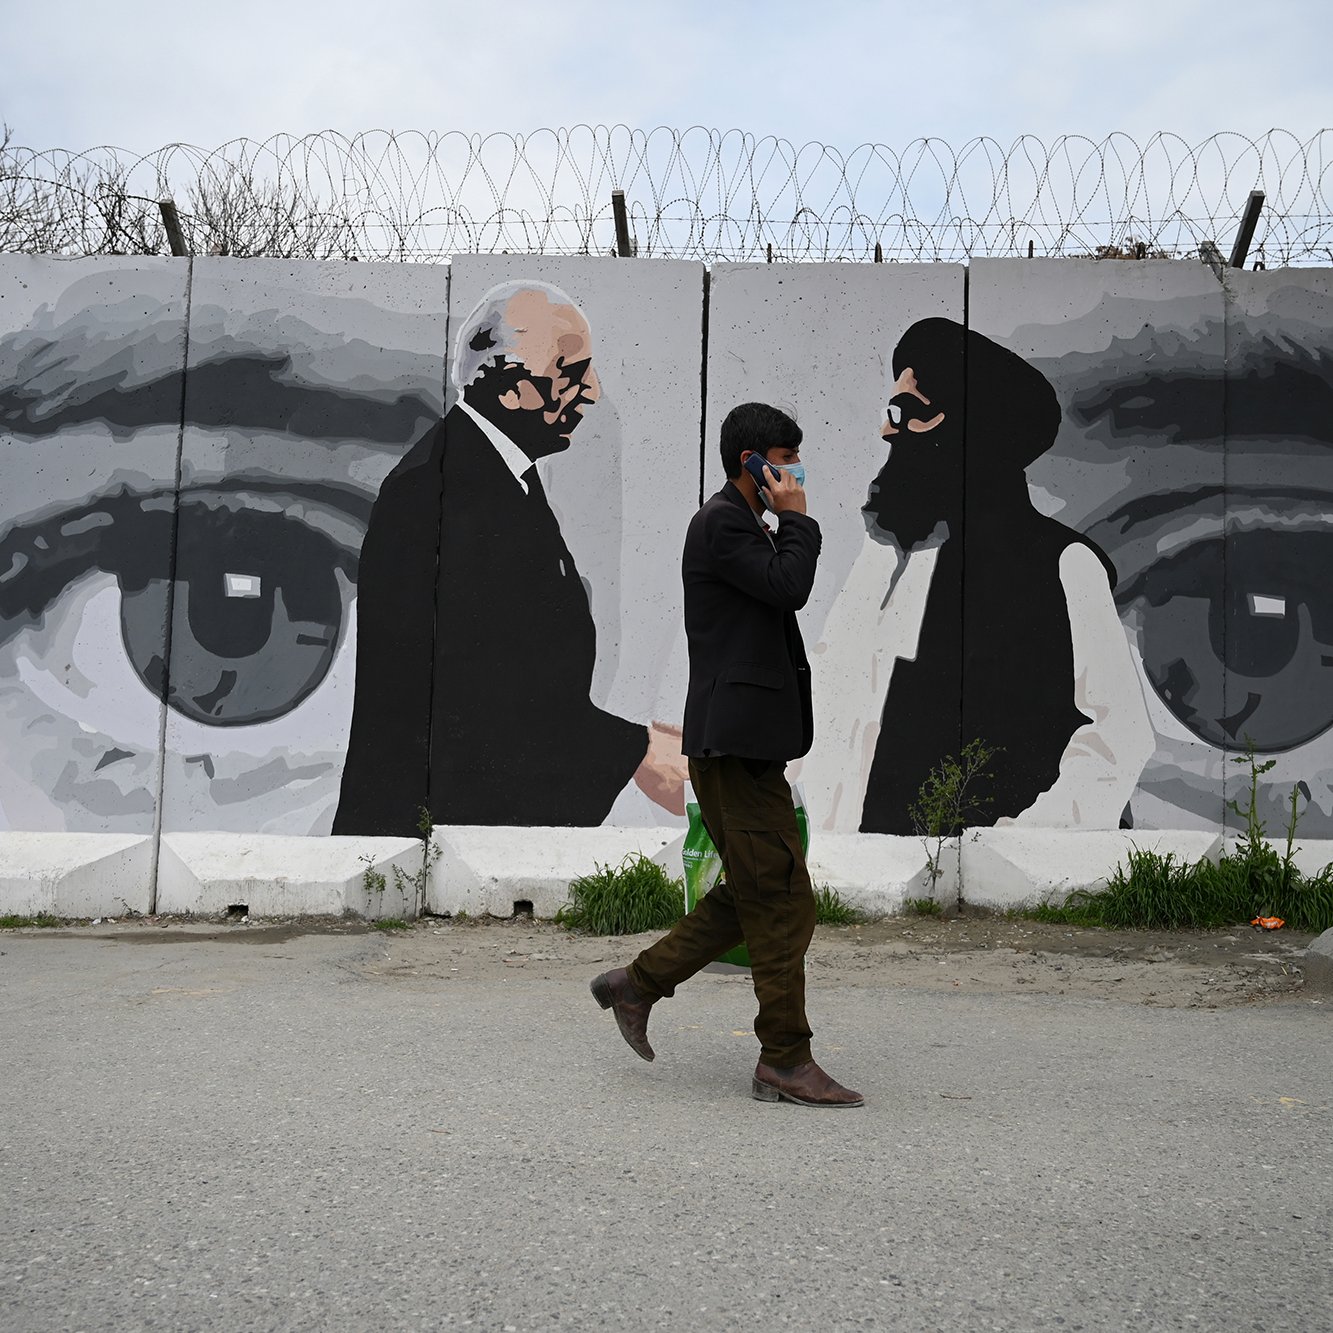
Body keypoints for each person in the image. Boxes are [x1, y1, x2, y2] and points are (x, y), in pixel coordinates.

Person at [334, 280, 686, 834]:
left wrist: (644, 740)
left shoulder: (499, 474)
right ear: (507, 388)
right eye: (572, 371)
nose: (592, 391)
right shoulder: (436, 492)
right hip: (432, 839)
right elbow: (478, 691)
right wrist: (632, 752)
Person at [590, 402, 863, 1109]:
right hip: (731, 743)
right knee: (778, 898)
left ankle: (637, 982)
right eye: (785, 457)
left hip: (748, 742)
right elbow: (788, 587)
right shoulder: (719, 523)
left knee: (759, 890)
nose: (795, 471)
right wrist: (799, 518)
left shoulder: (747, 527)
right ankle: (783, 1056)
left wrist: (785, 523)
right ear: (751, 462)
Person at [802, 317, 1152, 834]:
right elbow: (833, 699)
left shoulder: (1063, 564)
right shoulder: (884, 562)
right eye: (888, 410)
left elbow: (1118, 735)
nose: (887, 429)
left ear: (973, 426)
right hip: (860, 873)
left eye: (907, 412)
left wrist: (1011, 852)